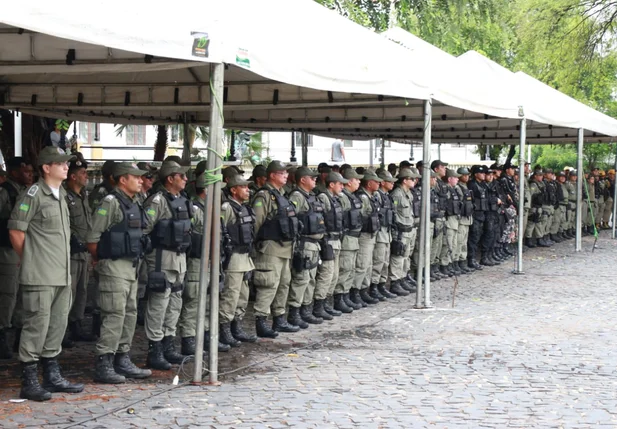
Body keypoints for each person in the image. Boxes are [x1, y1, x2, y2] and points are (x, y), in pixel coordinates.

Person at [8, 146, 84, 401]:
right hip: (40, 274)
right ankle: (29, 380)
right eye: (60, 163)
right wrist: (31, 260)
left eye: (66, 163)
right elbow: (17, 231)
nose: (66, 166)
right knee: (35, 326)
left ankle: (52, 375)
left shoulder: (60, 194)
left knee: (57, 325)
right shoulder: (34, 194)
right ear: (46, 167)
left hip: (61, 275)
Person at [87, 162, 151, 383]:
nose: (141, 180)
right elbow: (93, 238)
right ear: (123, 179)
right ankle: (104, 362)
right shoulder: (110, 202)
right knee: (114, 314)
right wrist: (100, 260)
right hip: (114, 266)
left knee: (130, 313)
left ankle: (122, 358)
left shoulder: (134, 202)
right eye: (137, 177)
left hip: (131, 266)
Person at [143, 161, 192, 370]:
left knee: (174, 303)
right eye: (181, 176)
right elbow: (144, 229)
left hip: (179, 258)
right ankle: (155, 349)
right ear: (170, 178)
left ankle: (168, 345)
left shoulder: (182, 200)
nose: (186, 179)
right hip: (162, 257)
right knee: (159, 304)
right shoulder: (157, 201)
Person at [251, 161, 299, 337]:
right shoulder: (264, 196)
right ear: (272, 175)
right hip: (270, 248)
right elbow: (256, 224)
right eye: (282, 173)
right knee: (268, 284)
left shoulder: (281, 194)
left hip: (285, 248)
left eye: (286, 173)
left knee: (284, 284)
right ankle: (261, 320)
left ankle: (279, 318)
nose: (286, 175)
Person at [218, 175, 258, 346]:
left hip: (245, 256)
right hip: (233, 258)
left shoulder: (245, 208)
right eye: (243, 187)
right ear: (233, 189)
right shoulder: (227, 208)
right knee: (230, 295)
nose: (247, 190)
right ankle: (224, 329)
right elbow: (219, 231)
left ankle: (237, 327)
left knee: (243, 295)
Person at [0, 157, 33, 359]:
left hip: (23, 247)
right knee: (8, 294)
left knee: (23, 292)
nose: (30, 175)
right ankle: (3, 333)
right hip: (7, 249)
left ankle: (20, 333)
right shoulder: (6, 192)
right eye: (26, 171)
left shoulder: (26, 193)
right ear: (14, 173)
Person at [287, 167, 326, 328]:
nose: (315, 180)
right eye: (312, 177)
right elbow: (291, 220)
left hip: (314, 244)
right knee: (301, 279)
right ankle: (294, 312)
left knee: (310, 279)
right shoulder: (297, 196)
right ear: (303, 179)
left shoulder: (311, 196)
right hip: (304, 244)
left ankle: (305, 310)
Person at [64, 156, 97, 344]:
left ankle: (76, 326)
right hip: (71, 252)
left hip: (84, 251)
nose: (86, 176)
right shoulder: (65, 195)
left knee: (82, 291)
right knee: (70, 291)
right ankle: (63, 329)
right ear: (73, 177)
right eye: (83, 173)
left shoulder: (84, 196)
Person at [313, 171, 347, 318]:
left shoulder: (335, 198)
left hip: (336, 240)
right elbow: (321, 220)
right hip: (328, 241)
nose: (342, 186)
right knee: (326, 274)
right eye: (340, 184)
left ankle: (326, 303)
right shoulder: (323, 197)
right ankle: (319, 305)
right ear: (331, 184)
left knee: (334, 275)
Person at [334, 168, 363, 313]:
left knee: (350, 268)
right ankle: (339, 297)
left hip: (353, 238)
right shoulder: (343, 197)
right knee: (345, 269)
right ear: (349, 181)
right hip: (347, 238)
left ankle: (345, 295)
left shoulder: (350, 196)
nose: (359, 182)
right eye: (356, 179)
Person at [352, 170, 382, 306]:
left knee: (369, 265)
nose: (379, 184)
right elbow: (361, 217)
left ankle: (364, 290)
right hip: (364, 235)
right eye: (376, 182)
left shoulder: (371, 196)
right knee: (362, 265)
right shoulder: (363, 197)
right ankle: (355, 291)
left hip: (371, 234)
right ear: (369, 183)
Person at [388, 168, 419, 296]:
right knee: (398, 257)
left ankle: (403, 278)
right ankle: (395, 282)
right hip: (400, 231)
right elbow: (393, 213)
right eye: (411, 179)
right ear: (405, 180)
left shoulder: (408, 193)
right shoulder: (397, 194)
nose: (414, 181)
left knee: (406, 256)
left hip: (409, 229)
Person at [372, 170, 401, 299]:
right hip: (380, 233)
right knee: (378, 261)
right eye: (389, 182)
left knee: (384, 262)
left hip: (387, 233)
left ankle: (381, 285)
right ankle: (374, 287)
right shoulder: (377, 195)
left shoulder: (387, 196)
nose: (392, 184)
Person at [440, 169, 462, 276]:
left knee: (453, 243)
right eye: (455, 177)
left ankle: (449, 263)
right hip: (448, 220)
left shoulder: (454, 189)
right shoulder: (446, 190)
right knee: (447, 244)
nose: (458, 179)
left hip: (454, 220)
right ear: (449, 179)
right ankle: (444, 265)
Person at [467, 165, 488, 270]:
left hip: (481, 214)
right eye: (481, 173)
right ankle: (471, 259)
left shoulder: (483, 185)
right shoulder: (472, 185)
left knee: (478, 237)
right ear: (476, 174)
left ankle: (473, 258)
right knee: (473, 238)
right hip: (475, 214)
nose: (484, 174)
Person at [455, 167, 474, 274]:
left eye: (467, 175)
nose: (467, 177)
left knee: (464, 242)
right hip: (461, 219)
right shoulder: (458, 187)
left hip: (467, 218)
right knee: (459, 242)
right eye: (464, 175)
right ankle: (456, 262)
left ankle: (462, 261)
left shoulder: (465, 187)